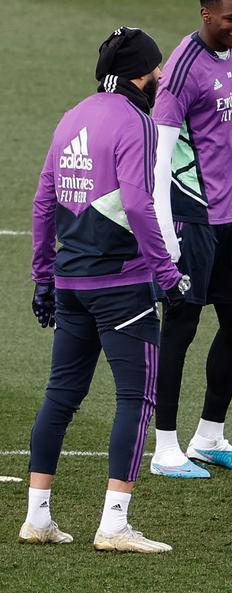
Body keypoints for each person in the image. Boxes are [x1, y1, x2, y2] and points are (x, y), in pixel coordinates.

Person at [22, 27, 187, 553]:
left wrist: (43, 275)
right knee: (137, 399)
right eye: (158, 69)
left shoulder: (73, 115)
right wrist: (166, 273)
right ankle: (114, 524)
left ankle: (37, 517)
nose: (162, 77)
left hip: (70, 283)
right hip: (120, 284)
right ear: (144, 72)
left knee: (61, 397)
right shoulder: (136, 122)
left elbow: (44, 201)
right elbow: (138, 204)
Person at [149, 0, 232, 478]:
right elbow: (160, 161)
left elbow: (230, 136)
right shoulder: (182, 69)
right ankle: (165, 448)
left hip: (229, 219)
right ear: (205, 13)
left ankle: (209, 437)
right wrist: (164, 236)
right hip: (188, 218)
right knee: (179, 330)